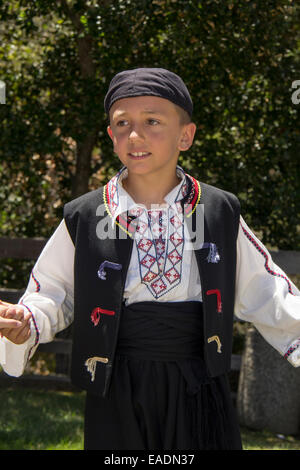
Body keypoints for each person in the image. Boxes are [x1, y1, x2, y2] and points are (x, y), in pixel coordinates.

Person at [0, 68, 299, 450]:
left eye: (152, 121)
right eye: (122, 123)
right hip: (116, 388)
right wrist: (27, 321)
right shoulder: (85, 215)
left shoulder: (218, 212)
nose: (135, 135)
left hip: (199, 383)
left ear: (185, 135)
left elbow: (267, 290)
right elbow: (54, 292)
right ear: (111, 136)